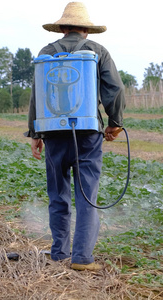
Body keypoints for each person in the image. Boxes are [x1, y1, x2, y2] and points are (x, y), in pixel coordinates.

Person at [25, 2, 125, 271]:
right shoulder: (98, 51)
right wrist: (115, 123)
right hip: (88, 135)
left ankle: (59, 254)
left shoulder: (47, 52)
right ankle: (82, 258)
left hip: (54, 134)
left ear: (63, 28)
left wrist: (35, 133)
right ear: (86, 31)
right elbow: (114, 90)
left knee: (58, 194)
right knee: (86, 195)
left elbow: (38, 94)